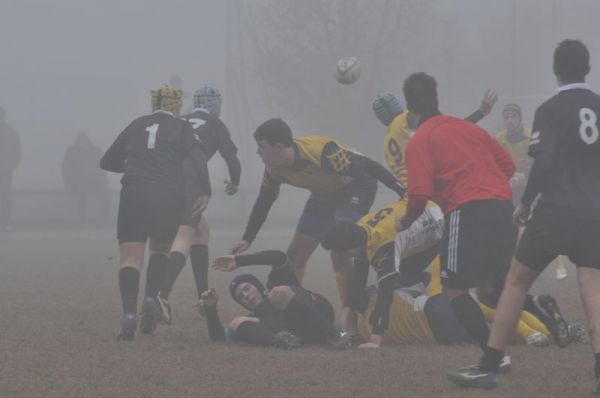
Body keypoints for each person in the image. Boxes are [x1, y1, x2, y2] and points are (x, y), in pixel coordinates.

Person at [448, 39, 600, 393]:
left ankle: (490, 364)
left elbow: (543, 163)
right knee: (592, 288)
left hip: (555, 210)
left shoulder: (549, 110)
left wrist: (526, 203)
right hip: (594, 213)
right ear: (588, 68)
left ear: (556, 71)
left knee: (516, 282)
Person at [227, 118, 406, 331]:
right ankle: (290, 311)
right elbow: (264, 201)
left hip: (356, 186)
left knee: (340, 251)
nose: (259, 153)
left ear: (278, 147)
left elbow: (369, 166)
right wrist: (248, 238)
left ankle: (350, 319)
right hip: (323, 195)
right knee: (295, 255)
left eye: (262, 148)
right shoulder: (274, 169)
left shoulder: (322, 152)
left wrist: (403, 192)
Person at [321, 201, 569, 349]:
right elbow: (368, 287)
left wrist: (371, 335)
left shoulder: (383, 254)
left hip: (437, 324)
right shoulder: (363, 232)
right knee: (477, 302)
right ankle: (538, 328)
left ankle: (534, 331)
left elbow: (367, 288)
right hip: (432, 303)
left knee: (476, 309)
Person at [100, 85, 211, 341]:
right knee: (160, 248)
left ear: (153, 103)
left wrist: (131, 166)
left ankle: (128, 315)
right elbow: (197, 155)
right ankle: (151, 298)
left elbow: (107, 161)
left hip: (133, 191)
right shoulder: (183, 128)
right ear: (178, 105)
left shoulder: (136, 124)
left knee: (130, 258)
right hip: (166, 194)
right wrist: (204, 189)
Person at [372, 89, 498, 294]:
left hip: (411, 200)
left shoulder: (387, 141)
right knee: (449, 246)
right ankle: (448, 295)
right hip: (432, 196)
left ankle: (417, 286)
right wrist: (481, 112)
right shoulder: (406, 119)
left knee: (419, 258)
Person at [157, 85, 241, 323]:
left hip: (160, 182)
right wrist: (234, 183)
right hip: (189, 184)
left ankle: (202, 295)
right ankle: (161, 295)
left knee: (201, 232)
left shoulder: (179, 120)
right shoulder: (215, 124)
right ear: (215, 105)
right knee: (186, 235)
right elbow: (233, 161)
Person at [201, 250, 350, 349]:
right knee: (237, 323)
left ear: (258, 286)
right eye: (240, 297)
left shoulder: (275, 283)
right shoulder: (254, 319)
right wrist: (210, 308)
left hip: (319, 311)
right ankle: (279, 341)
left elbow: (279, 257)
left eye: (247, 288)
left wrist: (240, 260)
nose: (245, 295)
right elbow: (219, 337)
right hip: (301, 334)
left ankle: (336, 334)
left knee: (278, 293)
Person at [496, 104, 569, 280]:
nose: (509, 121)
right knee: (507, 227)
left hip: (532, 190)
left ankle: (560, 266)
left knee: (543, 226)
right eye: (506, 117)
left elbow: (543, 161)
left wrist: (525, 176)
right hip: (510, 191)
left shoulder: (530, 136)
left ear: (520, 118)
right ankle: (508, 266)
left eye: (513, 116)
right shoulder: (498, 139)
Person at [62, 132, 110, 226]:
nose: (82, 142)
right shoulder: (72, 152)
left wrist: (103, 181)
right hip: (78, 183)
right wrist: (69, 182)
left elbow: (102, 167)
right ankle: (83, 219)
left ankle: (103, 218)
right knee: (80, 196)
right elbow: (66, 169)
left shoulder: (95, 151)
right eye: (80, 140)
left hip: (95, 182)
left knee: (106, 196)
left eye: (84, 140)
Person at [0, 107, 21, 231]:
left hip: (5, 168)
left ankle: (5, 222)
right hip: (6, 166)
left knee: (5, 196)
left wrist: (13, 163)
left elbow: (17, 148)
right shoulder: (11, 131)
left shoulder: (11, 132)